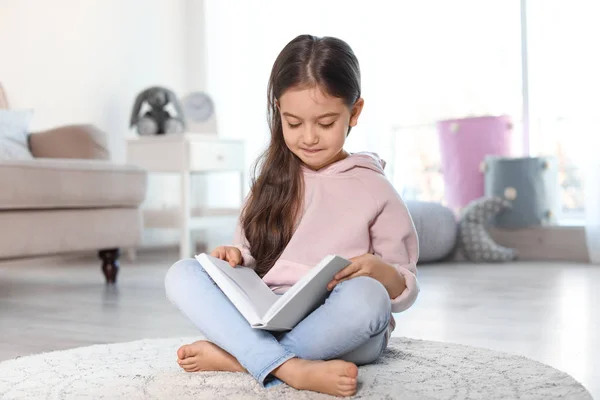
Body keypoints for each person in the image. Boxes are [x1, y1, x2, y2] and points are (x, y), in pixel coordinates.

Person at [164, 34, 419, 397]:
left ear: (355, 113)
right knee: (182, 273)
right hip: (267, 314)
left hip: (339, 328)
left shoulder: (374, 187)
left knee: (368, 299)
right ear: (278, 111)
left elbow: (404, 286)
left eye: (326, 123)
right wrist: (234, 258)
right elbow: (248, 254)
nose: (309, 137)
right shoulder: (270, 181)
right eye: (293, 123)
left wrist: (382, 272)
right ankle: (292, 367)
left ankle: (242, 357)